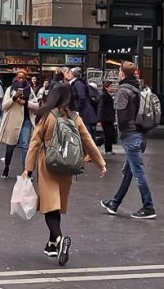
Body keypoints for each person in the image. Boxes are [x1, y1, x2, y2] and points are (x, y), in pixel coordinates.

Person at [23, 81, 106, 265]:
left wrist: (28, 169)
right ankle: (51, 244)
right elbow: (87, 140)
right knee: (57, 204)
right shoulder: (75, 116)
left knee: (49, 205)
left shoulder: (47, 115)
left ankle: (59, 239)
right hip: (68, 165)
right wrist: (100, 162)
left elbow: (35, 142)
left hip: (48, 163)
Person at [100, 61, 157, 219]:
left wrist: (120, 130)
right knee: (128, 171)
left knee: (138, 172)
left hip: (130, 136)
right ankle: (114, 203)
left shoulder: (124, 90)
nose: (118, 73)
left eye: (119, 71)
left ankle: (148, 206)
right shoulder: (136, 88)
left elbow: (122, 115)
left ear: (123, 73)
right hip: (138, 134)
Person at [0, 70, 37, 179]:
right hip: (13, 121)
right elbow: (4, 106)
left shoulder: (29, 90)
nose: (21, 80)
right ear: (15, 78)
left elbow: (37, 106)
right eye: (19, 77)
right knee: (10, 146)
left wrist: (26, 103)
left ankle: (26, 171)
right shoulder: (10, 90)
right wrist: (14, 98)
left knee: (25, 146)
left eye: (23, 78)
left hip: (26, 120)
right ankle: (6, 167)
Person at [67, 67, 97, 135]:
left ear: (73, 74)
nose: (68, 74)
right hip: (83, 113)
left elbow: (82, 98)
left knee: (86, 135)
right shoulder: (75, 83)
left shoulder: (78, 84)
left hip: (85, 114)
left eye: (70, 73)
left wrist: (77, 109)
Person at [97, 79, 117, 154]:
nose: (112, 88)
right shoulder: (104, 95)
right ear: (106, 87)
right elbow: (101, 107)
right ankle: (108, 149)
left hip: (108, 118)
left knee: (109, 133)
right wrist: (99, 119)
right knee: (108, 134)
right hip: (106, 118)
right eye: (111, 86)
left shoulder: (106, 95)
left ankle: (108, 148)